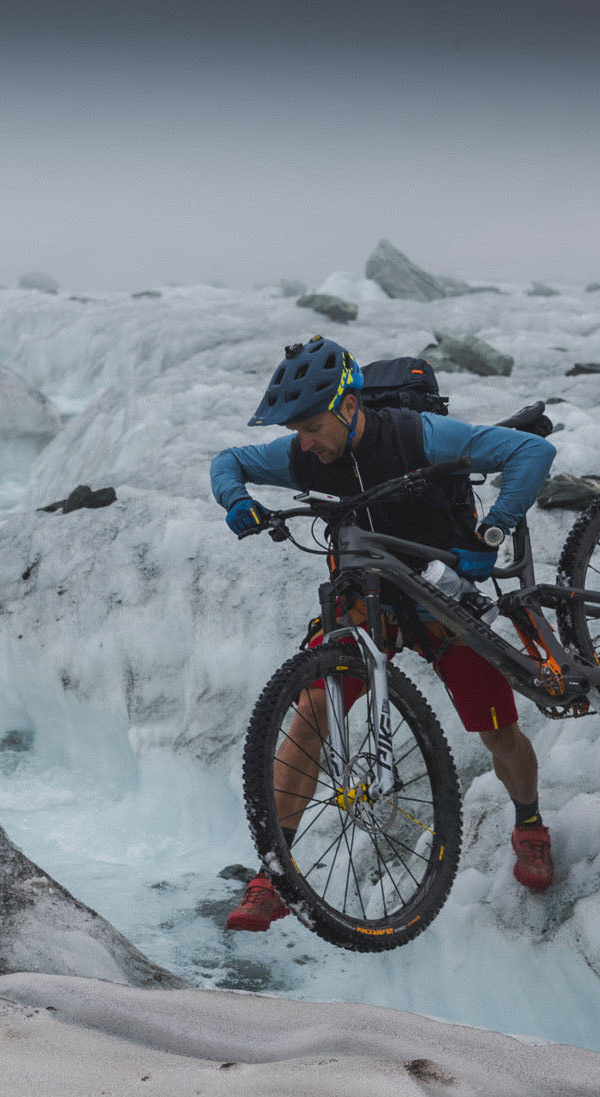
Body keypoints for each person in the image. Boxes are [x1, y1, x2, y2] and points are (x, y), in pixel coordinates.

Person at [210, 335, 558, 932]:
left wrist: (494, 530)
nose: (304, 443)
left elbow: (530, 453)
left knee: (498, 729)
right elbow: (231, 461)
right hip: (365, 600)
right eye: (296, 430)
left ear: (349, 407)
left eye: (313, 427)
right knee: (314, 707)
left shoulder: (418, 434)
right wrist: (235, 500)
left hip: (445, 595)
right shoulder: (303, 452)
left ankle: (529, 824)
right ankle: (275, 871)